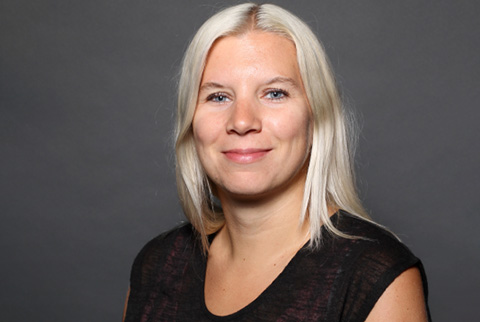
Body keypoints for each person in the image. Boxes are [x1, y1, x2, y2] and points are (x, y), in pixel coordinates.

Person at [123, 3, 431, 321]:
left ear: (316, 117)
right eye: (218, 96)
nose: (242, 121)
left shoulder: (372, 278)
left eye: (274, 93)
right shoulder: (157, 265)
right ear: (191, 123)